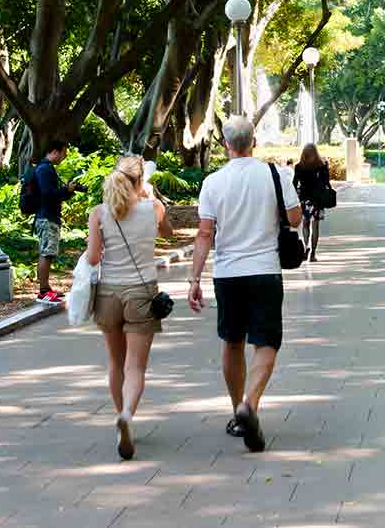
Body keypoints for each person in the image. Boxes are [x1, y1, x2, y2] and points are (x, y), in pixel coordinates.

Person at [188, 117, 302, 453]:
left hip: (227, 273)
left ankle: (237, 409)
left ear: (225, 144)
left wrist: (195, 278)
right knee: (266, 341)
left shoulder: (212, 182)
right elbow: (295, 218)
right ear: (253, 141)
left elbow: (205, 233)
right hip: (265, 270)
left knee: (232, 340)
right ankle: (249, 404)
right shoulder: (275, 174)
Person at [85, 157, 174, 460]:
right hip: (142, 292)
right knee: (135, 366)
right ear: (140, 181)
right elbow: (168, 233)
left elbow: (93, 258)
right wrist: (151, 197)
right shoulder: (154, 208)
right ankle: (127, 414)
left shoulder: (99, 213)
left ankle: (120, 417)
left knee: (115, 361)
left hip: (108, 293)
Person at [34, 140, 81, 303]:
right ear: (55, 151)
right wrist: (65, 189)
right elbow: (48, 194)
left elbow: (54, 194)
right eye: (63, 153)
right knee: (46, 253)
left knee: (48, 253)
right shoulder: (44, 169)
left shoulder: (47, 168)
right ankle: (43, 291)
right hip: (46, 217)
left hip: (49, 216)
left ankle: (46, 289)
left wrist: (68, 191)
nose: (64, 157)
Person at [294, 144, 332, 262]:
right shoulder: (322, 165)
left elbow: (295, 183)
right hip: (318, 200)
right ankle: (313, 254)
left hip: (304, 199)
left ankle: (306, 247)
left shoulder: (299, 166)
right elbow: (326, 182)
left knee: (305, 224)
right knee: (315, 226)